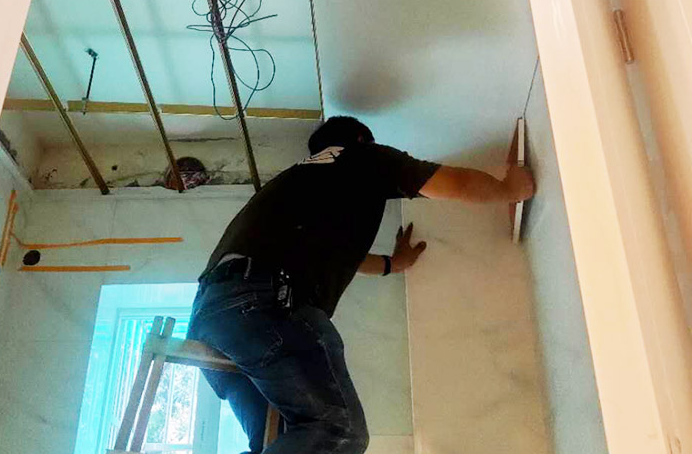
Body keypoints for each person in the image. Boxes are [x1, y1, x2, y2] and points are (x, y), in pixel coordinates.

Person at [187, 116, 535, 454]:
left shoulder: (300, 185)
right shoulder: (362, 156)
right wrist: (508, 188)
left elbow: (340, 254)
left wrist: (392, 264)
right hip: (257, 306)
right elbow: (450, 183)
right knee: (336, 429)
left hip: (211, 323)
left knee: (285, 440)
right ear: (360, 139)